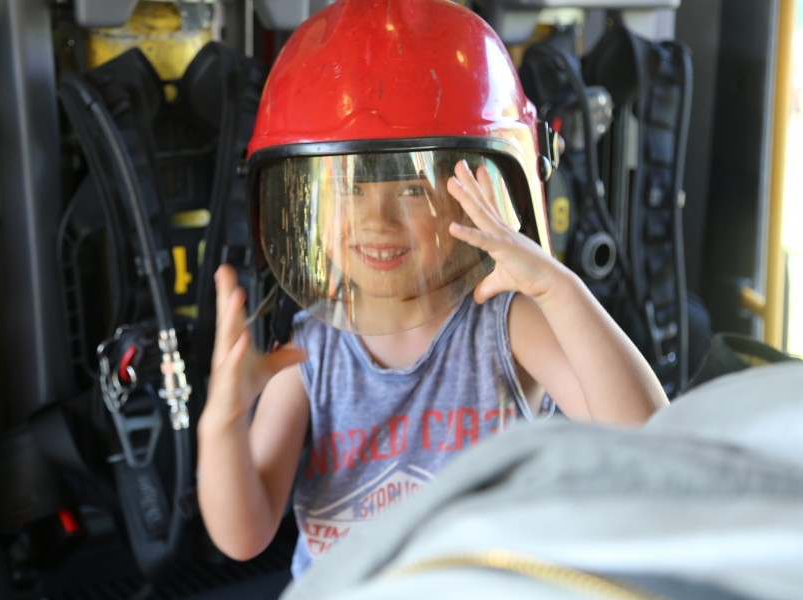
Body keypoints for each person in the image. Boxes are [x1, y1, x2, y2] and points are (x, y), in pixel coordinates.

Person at [196, 0, 669, 578]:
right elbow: (244, 536)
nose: (377, 220)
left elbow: (651, 446)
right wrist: (221, 424)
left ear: (480, 193)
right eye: (350, 190)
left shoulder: (505, 326)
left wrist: (557, 291)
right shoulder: (308, 351)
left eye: (413, 190)